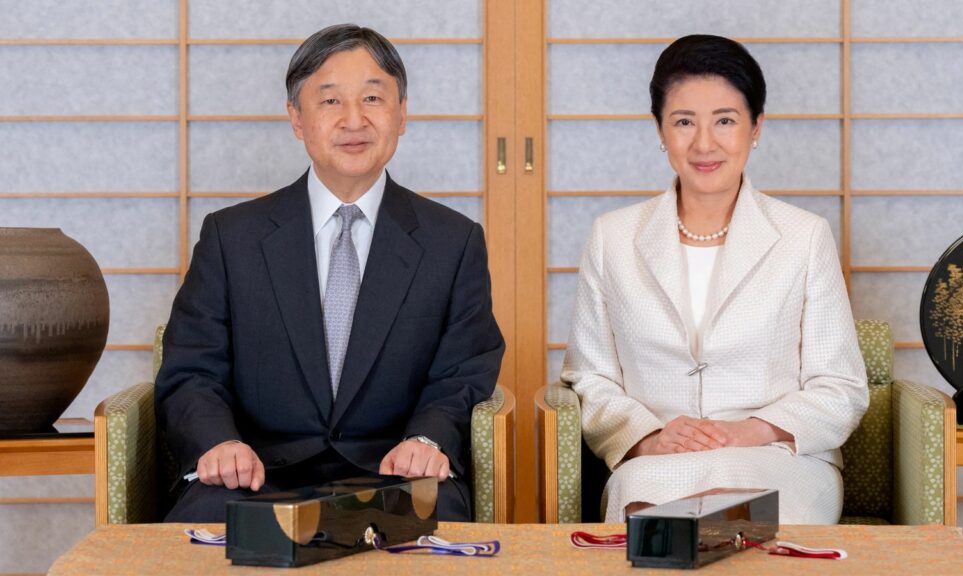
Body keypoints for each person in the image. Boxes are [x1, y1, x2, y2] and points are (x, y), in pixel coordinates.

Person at [156, 24, 504, 522]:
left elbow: (464, 370)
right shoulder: (231, 238)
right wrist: (221, 442)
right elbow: (191, 368)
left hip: (393, 472)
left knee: (437, 521)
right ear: (296, 118)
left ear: (402, 114)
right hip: (255, 473)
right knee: (195, 531)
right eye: (330, 101)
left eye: (372, 98)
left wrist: (427, 438)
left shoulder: (453, 242)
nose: (354, 120)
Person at [561, 34, 868, 523]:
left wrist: (754, 429)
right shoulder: (612, 238)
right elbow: (589, 376)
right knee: (650, 525)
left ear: (756, 128)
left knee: (749, 522)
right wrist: (647, 436)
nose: (704, 144)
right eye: (684, 122)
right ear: (660, 130)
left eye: (725, 120)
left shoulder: (803, 236)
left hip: (778, 459)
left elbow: (842, 386)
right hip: (660, 461)